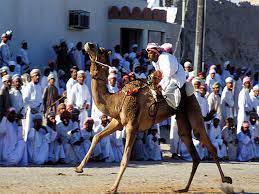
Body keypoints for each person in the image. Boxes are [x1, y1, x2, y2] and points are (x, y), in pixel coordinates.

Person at [146, 43, 186, 109]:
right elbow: (159, 73)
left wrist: (160, 84)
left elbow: (168, 74)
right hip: (167, 77)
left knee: (167, 91)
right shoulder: (154, 61)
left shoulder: (165, 58)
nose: (148, 55)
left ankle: (176, 107)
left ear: (155, 53)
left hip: (176, 77)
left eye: (150, 53)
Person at [23, 69, 43, 141]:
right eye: (36, 76)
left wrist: (39, 108)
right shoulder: (29, 86)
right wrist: (31, 107)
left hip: (38, 112)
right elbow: (25, 99)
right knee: (29, 131)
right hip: (31, 112)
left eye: (38, 75)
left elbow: (41, 100)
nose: (38, 77)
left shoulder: (40, 86)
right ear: (32, 77)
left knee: (38, 131)